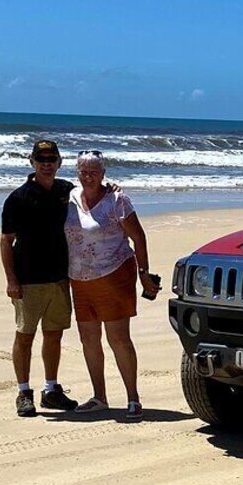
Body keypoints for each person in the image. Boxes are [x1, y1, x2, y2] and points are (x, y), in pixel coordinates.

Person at [65, 150, 160, 420]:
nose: (89, 176)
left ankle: (133, 398)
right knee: (88, 339)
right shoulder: (69, 197)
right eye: (84, 171)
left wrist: (144, 273)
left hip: (115, 275)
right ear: (77, 172)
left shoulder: (117, 199)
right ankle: (99, 397)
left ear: (104, 173)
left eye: (94, 171)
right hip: (80, 279)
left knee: (118, 338)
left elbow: (138, 238)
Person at [0, 140, 79, 417]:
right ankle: (23, 392)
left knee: (54, 335)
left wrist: (111, 189)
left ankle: (51, 390)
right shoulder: (18, 198)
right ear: (32, 162)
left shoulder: (67, 191)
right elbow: (6, 241)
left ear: (59, 162)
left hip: (59, 278)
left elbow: (94, 193)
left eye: (51, 158)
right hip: (28, 280)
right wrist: (11, 280)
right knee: (25, 336)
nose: (47, 163)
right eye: (41, 158)